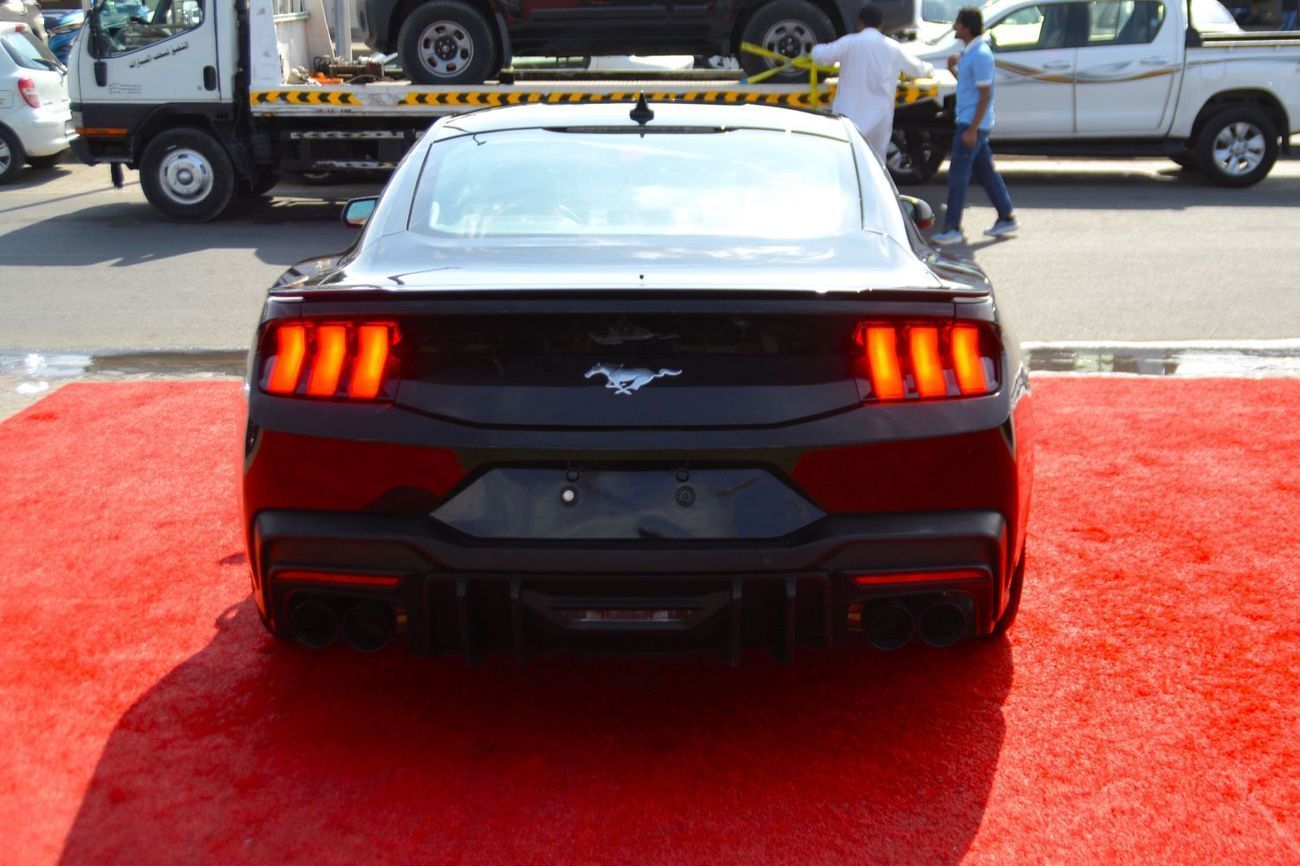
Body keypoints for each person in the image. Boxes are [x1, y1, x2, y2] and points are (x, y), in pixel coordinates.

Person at [929, 6, 1019, 245]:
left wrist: (971, 129)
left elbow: (985, 94)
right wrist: (953, 69)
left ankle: (952, 228)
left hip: (972, 124)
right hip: (971, 121)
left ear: (967, 27)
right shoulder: (970, 51)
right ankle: (1006, 216)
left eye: (957, 23)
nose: (954, 27)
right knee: (986, 173)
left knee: (957, 176)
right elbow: (969, 87)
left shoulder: (980, 54)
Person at [811, 5, 934, 161]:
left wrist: (814, 48)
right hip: (880, 119)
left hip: (849, 116)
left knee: (848, 160)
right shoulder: (893, 47)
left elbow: (820, 56)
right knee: (875, 163)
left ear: (860, 23)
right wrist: (929, 70)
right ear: (881, 24)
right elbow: (918, 69)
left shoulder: (849, 42)